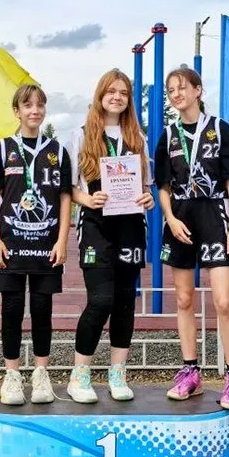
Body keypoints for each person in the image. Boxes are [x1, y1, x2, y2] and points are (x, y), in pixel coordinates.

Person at [154, 67, 229, 411]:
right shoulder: (168, 135)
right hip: (180, 219)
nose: (176, 94)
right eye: (171, 90)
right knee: (183, 299)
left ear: (198, 90)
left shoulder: (220, 130)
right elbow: (162, 186)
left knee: (224, 301)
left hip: (214, 217)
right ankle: (191, 372)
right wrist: (170, 218)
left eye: (182, 88)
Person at [67, 69, 154, 403]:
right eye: (111, 91)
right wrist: (87, 199)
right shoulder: (81, 135)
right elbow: (68, 188)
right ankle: (80, 376)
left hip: (130, 227)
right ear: (100, 94)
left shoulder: (137, 137)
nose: (117, 97)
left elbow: (145, 186)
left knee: (124, 303)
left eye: (123, 92)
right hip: (96, 227)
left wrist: (147, 198)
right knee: (100, 300)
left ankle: (118, 374)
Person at [0, 84, 72, 405]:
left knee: (41, 308)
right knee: (11, 308)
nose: (34, 110)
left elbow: (65, 198)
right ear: (17, 111)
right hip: (11, 243)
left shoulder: (57, 151)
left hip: (46, 245)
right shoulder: (3, 148)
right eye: (27, 105)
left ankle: (41, 373)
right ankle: (11, 375)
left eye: (39, 105)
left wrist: (62, 239)